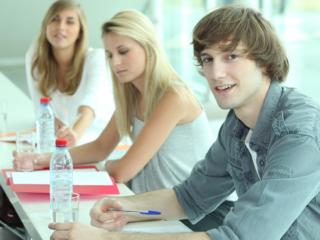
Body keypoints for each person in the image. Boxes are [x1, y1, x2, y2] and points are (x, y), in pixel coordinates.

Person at [49, 5, 320, 240]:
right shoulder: (236, 125)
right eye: (208, 59)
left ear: (264, 61)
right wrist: (123, 206)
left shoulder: (299, 133)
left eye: (231, 56)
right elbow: (189, 197)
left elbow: (238, 237)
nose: (215, 72)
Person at [14, 10, 220, 199]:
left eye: (123, 51)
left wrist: (106, 165)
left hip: (200, 213)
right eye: (110, 55)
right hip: (156, 207)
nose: (115, 63)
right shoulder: (132, 94)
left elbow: (123, 170)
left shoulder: (174, 96)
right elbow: (100, 147)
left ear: (148, 47)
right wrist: (38, 159)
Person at [26, 0, 114, 146]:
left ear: (80, 31)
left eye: (70, 22)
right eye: (55, 19)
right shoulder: (35, 57)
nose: (61, 27)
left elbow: (90, 108)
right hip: (66, 142)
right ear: (46, 26)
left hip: (102, 140)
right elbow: (40, 110)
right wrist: (60, 135)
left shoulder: (96, 59)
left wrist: (74, 135)